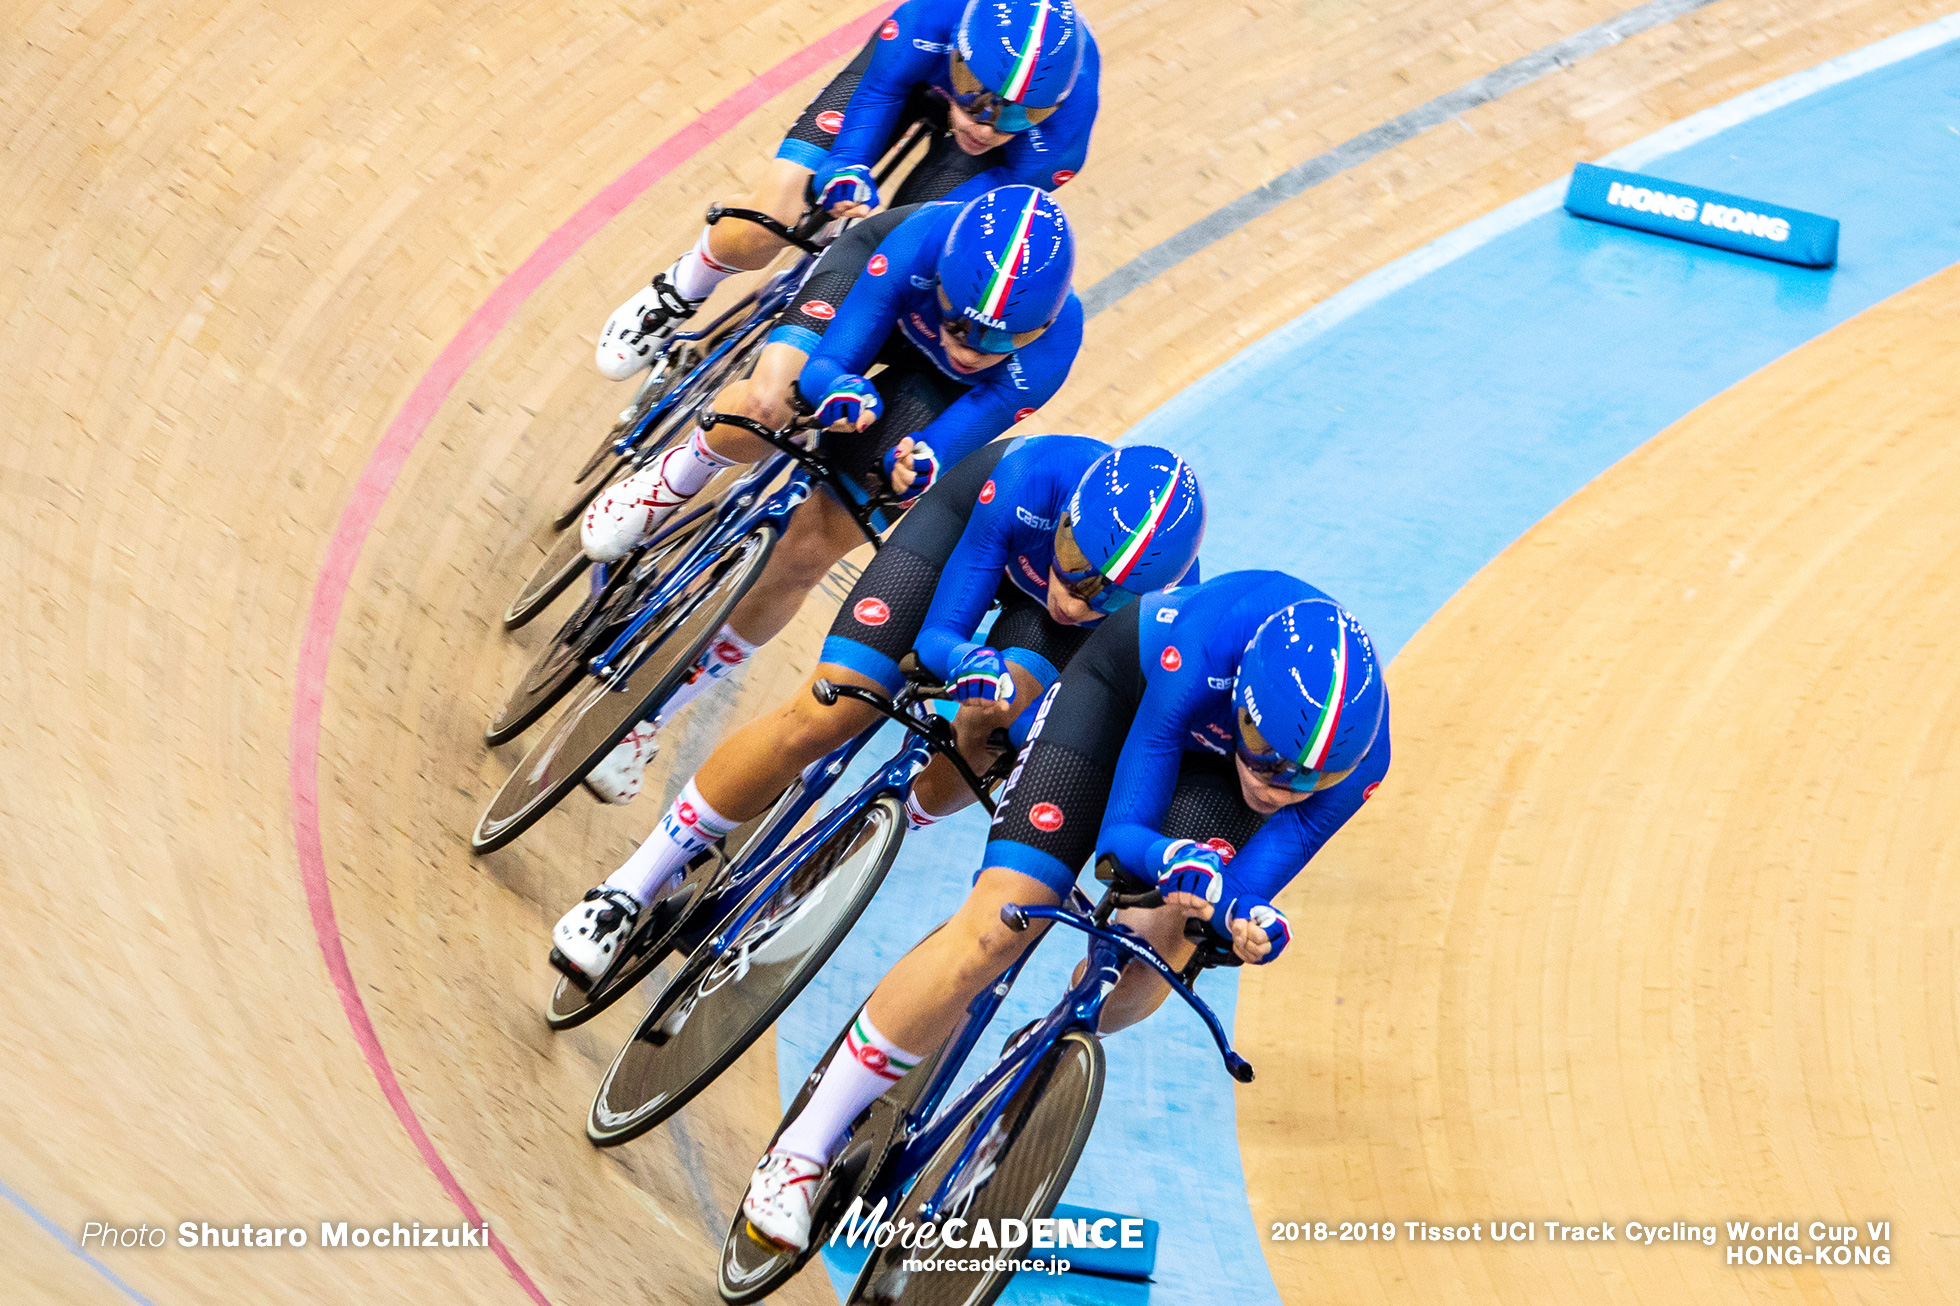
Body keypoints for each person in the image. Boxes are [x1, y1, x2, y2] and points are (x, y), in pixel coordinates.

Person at [736, 570, 1392, 1250]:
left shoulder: (1364, 758)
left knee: (1155, 960)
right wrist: (1168, 860)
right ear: (1247, 707)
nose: (1283, 788)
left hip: (1210, 777)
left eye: (1312, 779)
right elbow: (1122, 839)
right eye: (1271, 759)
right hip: (1122, 704)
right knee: (995, 930)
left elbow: (1250, 886)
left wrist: (1249, 923)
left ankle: (1040, 1051)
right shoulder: (1200, 651)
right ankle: (800, 1153)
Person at [550, 437, 1207, 984]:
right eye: (1073, 564)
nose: (1077, 597)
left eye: (1109, 595)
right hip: (967, 549)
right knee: (824, 714)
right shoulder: (1032, 480)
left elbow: (1104, 721)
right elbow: (940, 636)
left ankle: (873, 830)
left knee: (997, 733)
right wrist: (959, 663)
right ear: (1063, 523)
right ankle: (628, 889)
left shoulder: (1172, 617)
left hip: (1056, 651)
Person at [574, 184, 1084, 804]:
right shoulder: (920, 244)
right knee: (771, 402)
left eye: (997, 342)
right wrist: (835, 388)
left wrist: (915, 468)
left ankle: (651, 716)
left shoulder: (1052, 347)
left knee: (808, 550)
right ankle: (667, 480)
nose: (970, 349)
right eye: (957, 324)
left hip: (936, 393)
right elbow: (830, 361)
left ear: (1041, 327)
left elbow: (957, 433)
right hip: (878, 303)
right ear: (944, 281)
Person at [594, 0, 1098, 380]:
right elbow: (880, 90)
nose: (989, 126)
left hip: (992, 170)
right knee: (779, 211)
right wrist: (845, 168)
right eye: (977, 96)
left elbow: (947, 232)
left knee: (897, 252)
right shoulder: (934, 16)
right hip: (905, 77)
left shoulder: (1059, 142)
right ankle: (685, 283)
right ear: (959, 50)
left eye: (1021, 112)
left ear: (1051, 106)